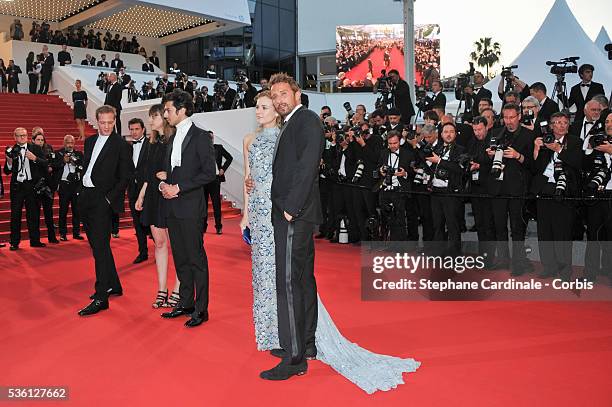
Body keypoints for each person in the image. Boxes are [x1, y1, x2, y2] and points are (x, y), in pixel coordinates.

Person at [243, 86, 420, 390]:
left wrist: (290, 209)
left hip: (293, 215)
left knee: (289, 284)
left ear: (296, 94)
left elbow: (308, 166)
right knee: (301, 280)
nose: (279, 100)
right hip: (292, 214)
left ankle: (294, 357)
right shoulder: (292, 123)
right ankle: (306, 344)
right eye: (274, 96)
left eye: (283, 93)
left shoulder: (307, 119)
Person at [158, 90, 216, 328]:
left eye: (169, 110)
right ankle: (186, 303)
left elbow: (209, 173)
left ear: (182, 110)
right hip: (172, 206)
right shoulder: (172, 137)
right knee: (180, 259)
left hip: (191, 207)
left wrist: (178, 187)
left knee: (195, 259)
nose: (165, 114)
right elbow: (168, 170)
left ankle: (201, 310)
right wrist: (163, 182)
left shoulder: (201, 136)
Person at [77, 105, 133, 316]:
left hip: (103, 200)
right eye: (103, 122)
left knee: (100, 248)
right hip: (86, 197)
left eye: (111, 122)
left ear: (115, 120)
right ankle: (114, 285)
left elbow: (126, 176)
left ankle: (101, 297)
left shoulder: (121, 144)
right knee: (97, 245)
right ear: (97, 120)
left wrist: (109, 199)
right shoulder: (90, 141)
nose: (107, 126)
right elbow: (88, 167)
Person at [135, 105, 181, 308]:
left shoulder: (176, 139)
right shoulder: (151, 142)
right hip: (153, 196)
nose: (151, 121)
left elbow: (183, 169)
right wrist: (141, 195)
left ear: (164, 117)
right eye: (150, 117)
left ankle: (179, 289)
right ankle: (162, 289)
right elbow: (147, 172)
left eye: (153, 116)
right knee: (160, 244)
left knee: (177, 245)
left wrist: (169, 177)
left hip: (170, 195)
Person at [531, 112, 582, 280]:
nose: (561, 125)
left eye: (565, 122)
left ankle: (565, 270)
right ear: (551, 125)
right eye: (557, 122)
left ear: (568, 125)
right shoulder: (544, 140)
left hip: (565, 190)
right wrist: (537, 148)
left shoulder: (575, 142)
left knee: (563, 233)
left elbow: (577, 163)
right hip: (544, 189)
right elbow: (536, 168)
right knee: (545, 232)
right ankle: (549, 267)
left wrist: (558, 149)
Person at [3, 128, 48, 250]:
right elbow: (6, 171)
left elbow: (45, 164)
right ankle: (14, 242)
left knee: (33, 214)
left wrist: (35, 158)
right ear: (15, 137)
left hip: (31, 186)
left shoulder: (36, 148)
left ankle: (35, 240)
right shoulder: (12, 150)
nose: (22, 137)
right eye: (19, 136)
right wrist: (9, 162)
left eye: (24, 135)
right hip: (17, 187)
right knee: (15, 215)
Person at [126, 118, 150, 264]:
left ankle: (161, 247)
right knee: (137, 221)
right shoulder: (128, 147)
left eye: (136, 129)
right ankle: (143, 252)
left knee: (152, 222)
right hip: (133, 189)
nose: (134, 132)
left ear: (143, 129)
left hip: (148, 189)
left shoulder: (151, 145)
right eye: (132, 129)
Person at [52, 135, 84, 241]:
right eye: (67, 142)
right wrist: (63, 161)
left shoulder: (79, 154)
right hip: (64, 185)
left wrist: (76, 163)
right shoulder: (58, 153)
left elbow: (83, 167)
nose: (70, 145)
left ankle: (76, 233)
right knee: (63, 210)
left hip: (75, 185)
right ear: (64, 143)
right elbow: (53, 167)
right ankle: (62, 233)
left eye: (71, 143)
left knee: (76, 211)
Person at [31, 130, 59, 244]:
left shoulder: (49, 149)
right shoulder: (30, 152)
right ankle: (36, 240)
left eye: (42, 140)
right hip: (35, 186)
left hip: (47, 186)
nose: (40, 142)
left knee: (49, 213)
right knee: (35, 215)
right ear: (33, 140)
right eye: (38, 140)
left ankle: (52, 237)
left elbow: (54, 163)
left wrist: (51, 166)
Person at [204, 132, 233, 234]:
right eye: (208, 137)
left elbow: (229, 158)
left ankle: (218, 227)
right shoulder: (200, 148)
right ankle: (203, 226)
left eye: (212, 137)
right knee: (203, 206)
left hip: (215, 179)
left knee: (216, 204)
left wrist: (223, 169)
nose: (210, 139)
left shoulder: (219, 148)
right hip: (203, 180)